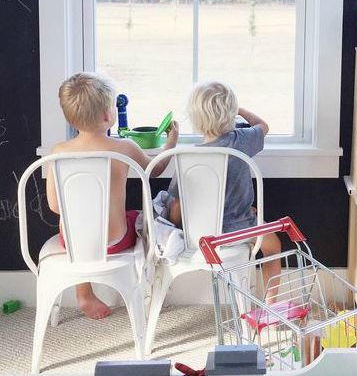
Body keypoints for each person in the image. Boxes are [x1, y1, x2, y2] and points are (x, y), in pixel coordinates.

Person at [46, 72, 179, 319]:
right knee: (141, 219)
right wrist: (171, 143)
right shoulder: (124, 147)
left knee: (69, 217)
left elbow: (55, 206)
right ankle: (148, 288)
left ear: (70, 118)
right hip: (117, 240)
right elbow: (156, 169)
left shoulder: (58, 152)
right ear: (108, 115)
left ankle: (83, 294)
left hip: (73, 244)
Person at [167, 81, 281, 301]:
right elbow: (263, 125)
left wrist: (179, 224)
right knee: (273, 246)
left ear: (195, 120)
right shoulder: (242, 141)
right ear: (231, 115)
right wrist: (239, 109)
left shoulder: (189, 159)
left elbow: (177, 209)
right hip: (241, 230)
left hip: (201, 236)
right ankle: (271, 303)